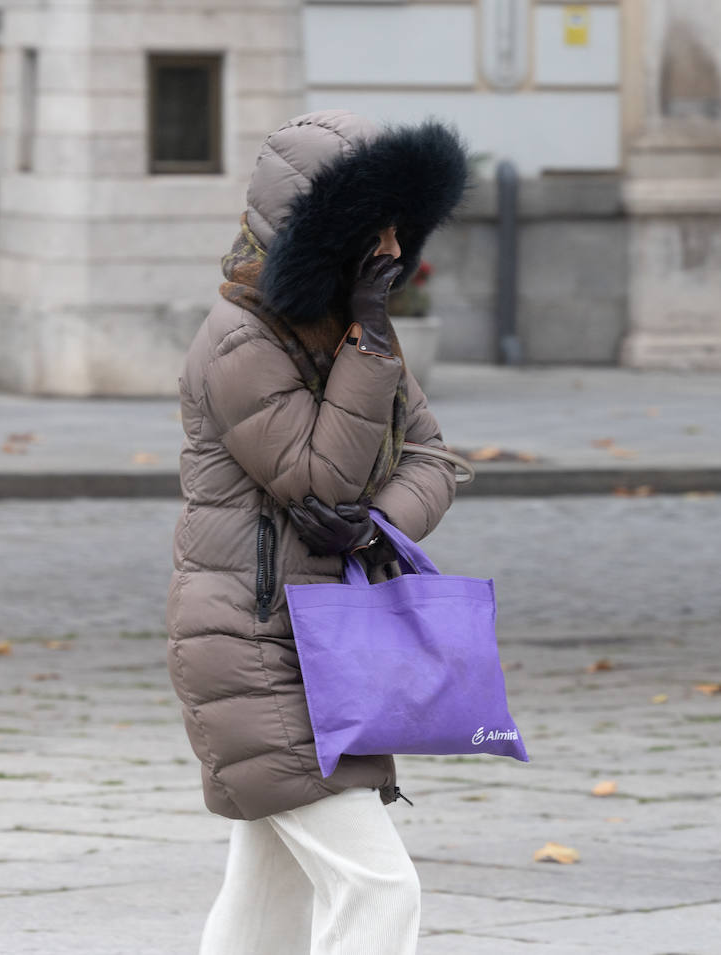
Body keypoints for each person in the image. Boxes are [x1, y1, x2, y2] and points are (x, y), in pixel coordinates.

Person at [165, 109, 470, 954]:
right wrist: (370, 338)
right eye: (368, 232)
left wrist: (378, 528)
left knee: (264, 896)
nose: (387, 252)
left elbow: (435, 458)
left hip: (330, 642)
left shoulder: (351, 330)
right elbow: (321, 475)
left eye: (394, 233)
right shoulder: (236, 342)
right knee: (379, 887)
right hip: (255, 646)